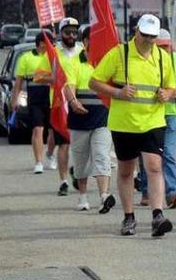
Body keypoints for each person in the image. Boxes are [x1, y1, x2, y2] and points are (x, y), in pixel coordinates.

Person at [89, 14, 176, 237]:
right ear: (136, 30)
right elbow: (94, 81)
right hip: (124, 123)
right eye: (144, 35)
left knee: (154, 166)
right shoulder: (120, 53)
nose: (147, 40)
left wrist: (168, 94)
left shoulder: (162, 58)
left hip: (153, 121)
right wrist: (118, 92)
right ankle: (129, 217)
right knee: (127, 171)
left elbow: (173, 89)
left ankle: (158, 215)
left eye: (152, 37)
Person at [134, 29, 176, 209]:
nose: (163, 50)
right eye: (160, 46)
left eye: (166, 46)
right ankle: (146, 191)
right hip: (148, 113)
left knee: (168, 154)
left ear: (171, 46)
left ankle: (172, 192)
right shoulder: (144, 59)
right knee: (147, 155)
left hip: (170, 114)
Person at [65, 25, 116, 213]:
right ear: (86, 42)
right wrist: (72, 101)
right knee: (81, 161)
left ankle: (104, 196)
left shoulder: (107, 62)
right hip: (80, 121)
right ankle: (83, 197)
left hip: (103, 120)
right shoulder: (74, 63)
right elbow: (68, 85)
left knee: (102, 157)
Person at [12, 30, 53, 174]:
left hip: (52, 98)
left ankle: (51, 153)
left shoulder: (53, 57)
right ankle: (39, 162)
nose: (52, 45)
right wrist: (15, 99)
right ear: (41, 43)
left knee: (53, 131)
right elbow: (18, 82)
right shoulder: (25, 58)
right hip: (35, 98)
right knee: (37, 129)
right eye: (49, 42)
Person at [51, 17, 82, 196]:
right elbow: (50, 76)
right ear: (61, 34)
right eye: (67, 32)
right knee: (63, 144)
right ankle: (63, 181)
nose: (71, 35)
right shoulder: (54, 53)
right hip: (60, 103)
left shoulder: (82, 51)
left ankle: (77, 172)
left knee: (80, 143)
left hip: (80, 101)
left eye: (74, 32)